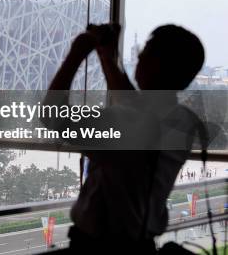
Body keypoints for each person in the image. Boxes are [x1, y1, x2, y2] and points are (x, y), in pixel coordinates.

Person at [44, 23, 205, 254]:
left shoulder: (128, 122)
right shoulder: (183, 120)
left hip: (97, 247)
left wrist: (77, 52)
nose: (138, 58)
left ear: (158, 65)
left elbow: (52, 116)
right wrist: (107, 57)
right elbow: (133, 104)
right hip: (140, 246)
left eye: (145, 52)